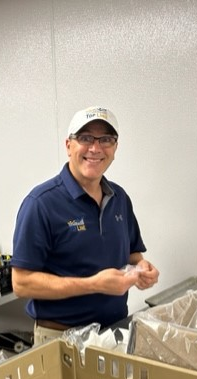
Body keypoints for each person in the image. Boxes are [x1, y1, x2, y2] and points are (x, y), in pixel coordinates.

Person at [11, 106, 159, 345]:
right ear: (68, 145)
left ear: (115, 148)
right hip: (60, 339)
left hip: (114, 332)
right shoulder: (41, 203)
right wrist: (93, 285)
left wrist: (142, 269)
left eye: (106, 140)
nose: (95, 148)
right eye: (85, 138)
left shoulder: (119, 198)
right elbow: (21, 283)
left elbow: (133, 254)